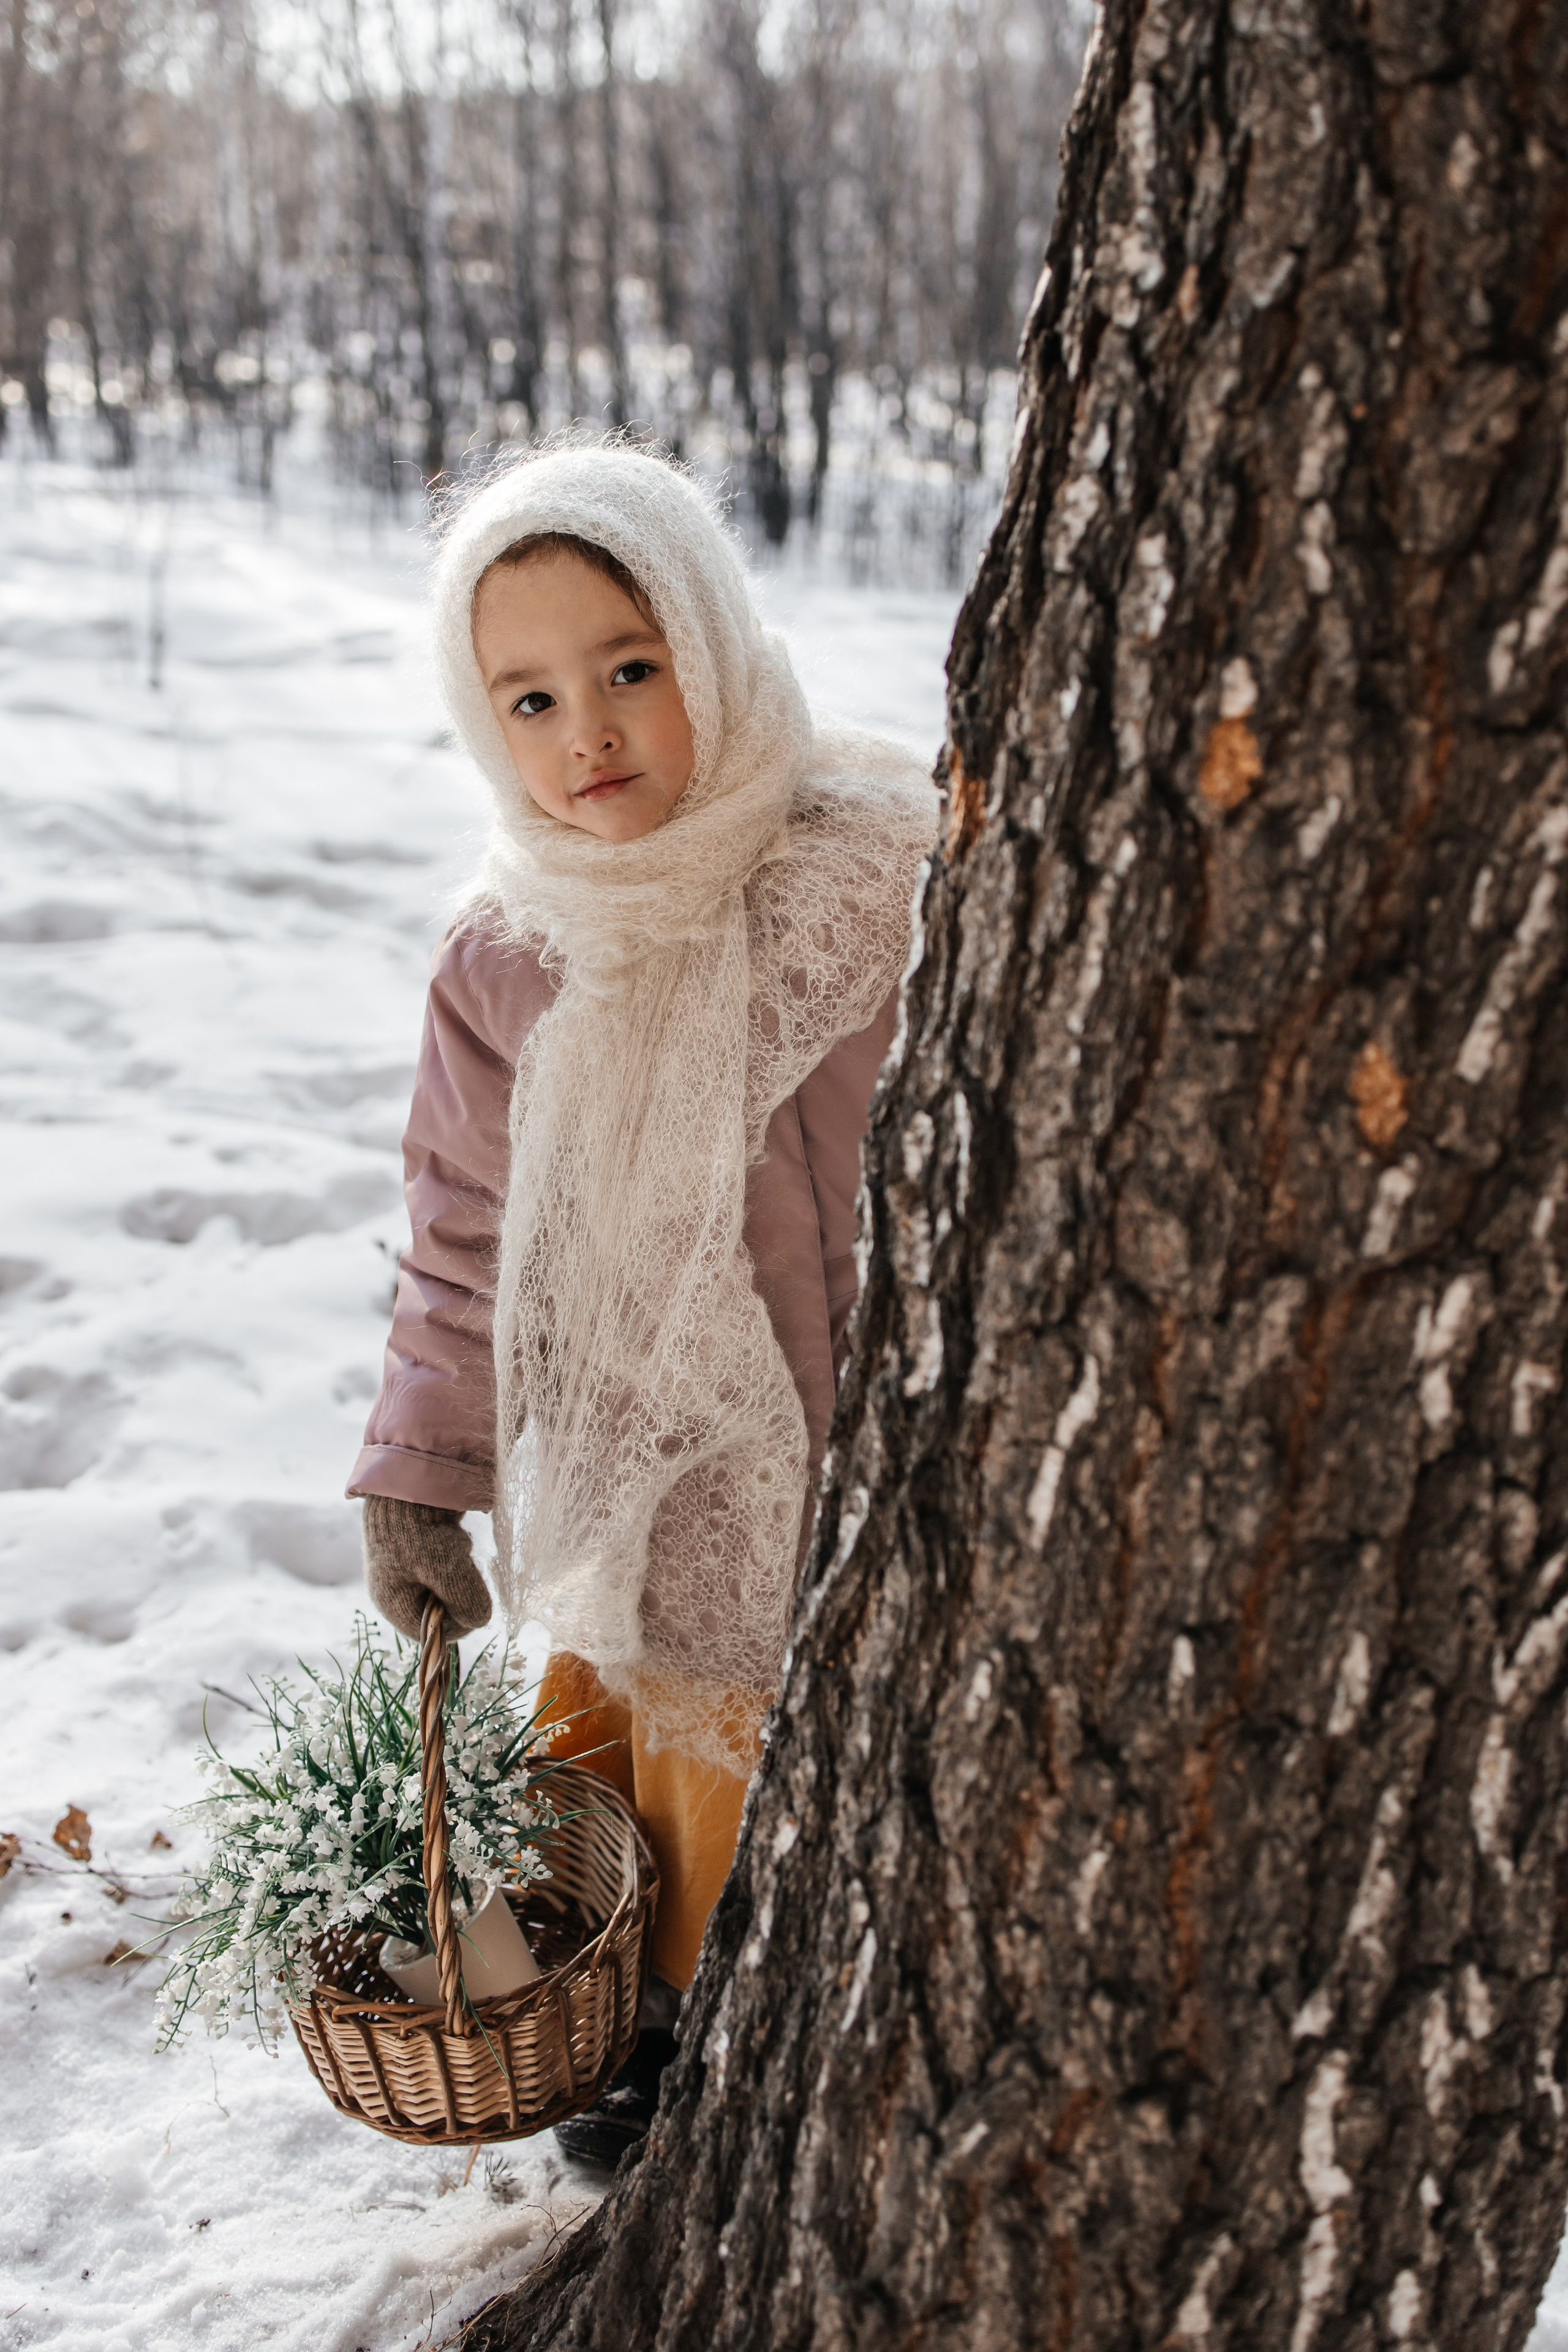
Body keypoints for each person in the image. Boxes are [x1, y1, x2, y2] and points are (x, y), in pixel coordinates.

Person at [348, 439, 935, 2163]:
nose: (584, 735)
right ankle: (663, 2017)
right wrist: (421, 1471)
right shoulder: (509, 958)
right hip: (665, 1472)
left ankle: (856, 2006)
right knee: (675, 1770)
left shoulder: (878, 876)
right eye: (524, 698)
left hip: (887, 1435)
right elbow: (463, 1243)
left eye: (629, 667)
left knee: (863, 1759)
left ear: (717, 643)